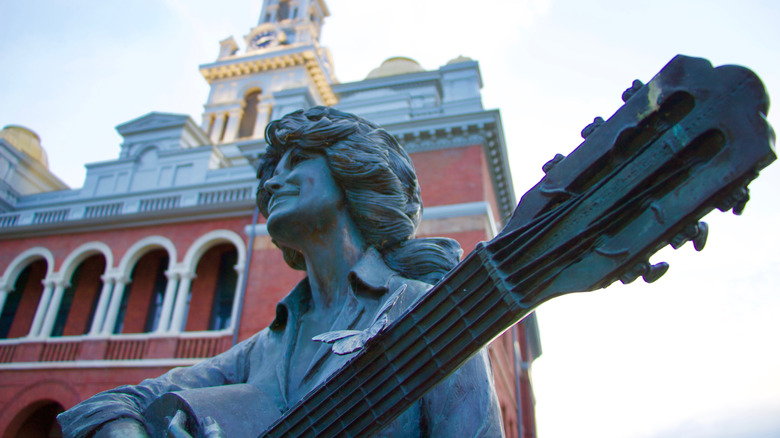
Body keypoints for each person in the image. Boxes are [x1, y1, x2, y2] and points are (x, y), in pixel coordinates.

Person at [58, 107, 504, 437]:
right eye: (274, 171)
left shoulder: (427, 310)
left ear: (352, 172)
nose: (272, 182)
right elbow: (107, 405)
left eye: (297, 161)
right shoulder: (263, 348)